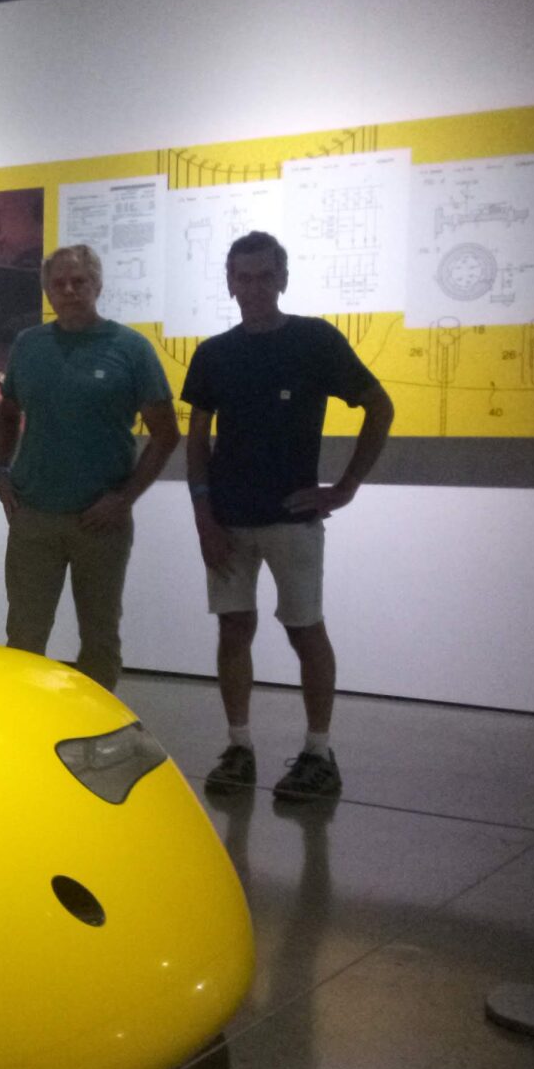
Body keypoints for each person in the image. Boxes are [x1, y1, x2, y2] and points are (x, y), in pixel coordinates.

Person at [183, 230, 395, 803]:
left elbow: (379, 406)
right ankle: (239, 747)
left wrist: (345, 487)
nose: (254, 287)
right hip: (229, 517)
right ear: (230, 283)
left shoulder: (314, 341)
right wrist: (203, 518)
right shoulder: (213, 354)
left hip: (291, 518)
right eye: (243, 277)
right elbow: (197, 441)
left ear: (282, 279)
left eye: (264, 276)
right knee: (234, 628)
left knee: (305, 629)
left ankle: (318, 753)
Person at [0, 243, 180, 688]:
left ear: (97, 285)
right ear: (48, 291)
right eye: (59, 283)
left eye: (79, 282)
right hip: (33, 517)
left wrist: (124, 499)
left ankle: (99, 722)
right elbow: (7, 412)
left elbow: (166, 434)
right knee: (24, 637)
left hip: (101, 521)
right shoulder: (29, 345)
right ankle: (23, 721)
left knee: (99, 638)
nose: (70, 291)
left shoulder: (131, 349)